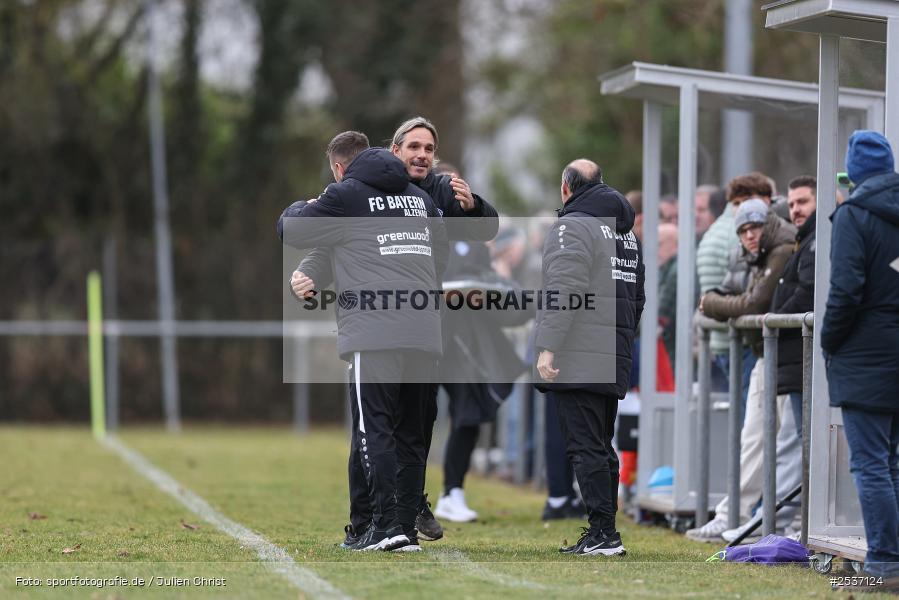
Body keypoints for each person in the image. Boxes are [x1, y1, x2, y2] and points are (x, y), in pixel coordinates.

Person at [286, 117, 499, 547]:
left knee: (394, 429)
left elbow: (484, 229)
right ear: (394, 151)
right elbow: (330, 247)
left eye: (429, 148)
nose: (422, 155)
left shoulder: (429, 190)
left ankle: (392, 521)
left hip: (395, 327)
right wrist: (309, 272)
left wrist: (474, 206)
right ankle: (372, 521)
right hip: (419, 326)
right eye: (414, 147)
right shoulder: (403, 196)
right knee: (378, 432)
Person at [534, 159, 645, 556]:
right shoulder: (627, 234)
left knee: (586, 447)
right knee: (601, 444)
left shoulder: (572, 226)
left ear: (567, 188)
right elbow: (638, 299)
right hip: (613, 353)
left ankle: (603, 534)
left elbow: (564, 290)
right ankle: (605, 530)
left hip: (579, 355)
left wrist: (548, 345)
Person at [687, 198, 797, 543]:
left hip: (782, 356)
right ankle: (738, 514)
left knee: (775, 443)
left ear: (767, 224)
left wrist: (714, 304)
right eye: (744, 230)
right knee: (757, 439)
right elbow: (739, 293)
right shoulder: (758, 251)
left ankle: (759, 519)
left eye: (754, 227)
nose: (750, 235)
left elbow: (754, 303)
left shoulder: (781, 249)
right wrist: (722, 301)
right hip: (769, 354)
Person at [822, 130, 899, 589]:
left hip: (866, 354)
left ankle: (886, 564)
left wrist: (831, 340)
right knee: (893, 462)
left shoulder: (853, 215)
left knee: (870, 463)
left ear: (853, 173)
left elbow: (845, 290)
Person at [770, 175, 817, 437]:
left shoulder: (814, 242)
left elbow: (808, 293)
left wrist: (774, 320)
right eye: (791, 204)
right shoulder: (804, 241)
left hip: (804, 357)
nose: (796, 209)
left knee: (809, 437)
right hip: (797, 359)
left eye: (803, 202)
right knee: (804, 437)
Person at [656, 223, 678, 364]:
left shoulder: (675, 271)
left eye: (660, 244)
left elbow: (660, 311)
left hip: (673, 344)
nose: (655, 249)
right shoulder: (667, 268)